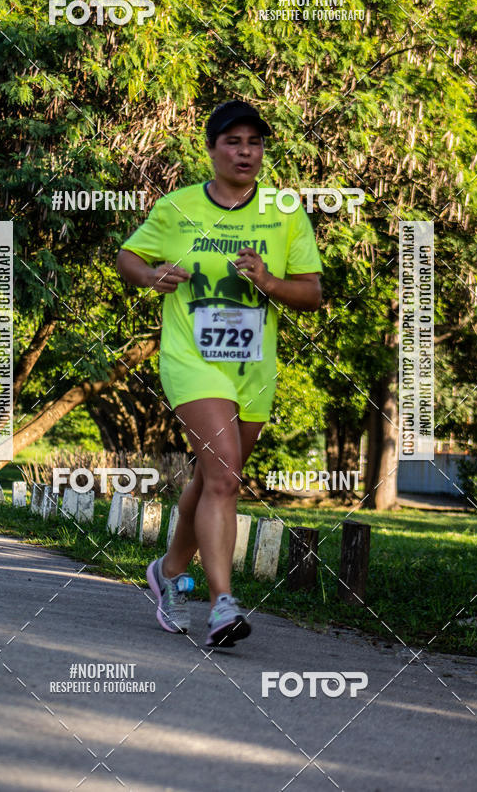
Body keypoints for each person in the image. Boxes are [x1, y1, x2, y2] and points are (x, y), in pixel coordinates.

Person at [116, 100, 323, 647]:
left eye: (254, 142)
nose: (245, 152)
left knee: (215, 479)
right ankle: (222, 605)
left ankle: (167, 571)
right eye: (233, 141)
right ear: (211, 149)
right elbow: (128, 257)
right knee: (226, 476)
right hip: (192, 360)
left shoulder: (285, 211)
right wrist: (151, 276)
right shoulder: (177, 207)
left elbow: (312, 294)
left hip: (253, 369)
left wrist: (270, 282)